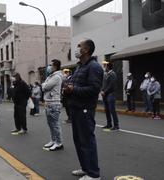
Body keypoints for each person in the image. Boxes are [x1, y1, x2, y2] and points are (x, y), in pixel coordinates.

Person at [64, 39, 103, 180]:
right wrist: (67, 89)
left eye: (79, 46)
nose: (77, 48)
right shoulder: (80, 66)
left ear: (86, 50)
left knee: (87, 141)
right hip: (76, 109)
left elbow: (94, 89)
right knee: (79, 141)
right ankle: (85, 168)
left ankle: (93, 174)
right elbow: (73, 85)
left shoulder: (94, 67)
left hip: (85, 110)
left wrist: (73, 89)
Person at [42, 59, 64, 151]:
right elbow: (44, 86)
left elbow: (45, 87)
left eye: (51, 65)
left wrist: (44, 85)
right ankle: (53, 140)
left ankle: (59, 143)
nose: (49, 67)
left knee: (55, 124)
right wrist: (44, 85)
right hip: (49, 103)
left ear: (55, 66)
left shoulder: (56, 77)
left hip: (54, 103)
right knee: (50, 124)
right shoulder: (51, 76)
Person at [101, 61, 119, 130]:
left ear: (108, 67)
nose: (104, 67)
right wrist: (102, 90)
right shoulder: (106, 74)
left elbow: (111, 86)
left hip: (111, 94)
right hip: (105, 94)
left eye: (105, 66)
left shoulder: (112, 74)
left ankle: (116, 125)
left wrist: (104, 91)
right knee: (107, 110)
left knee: (112, 110)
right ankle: (109, 124)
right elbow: (104, 84)